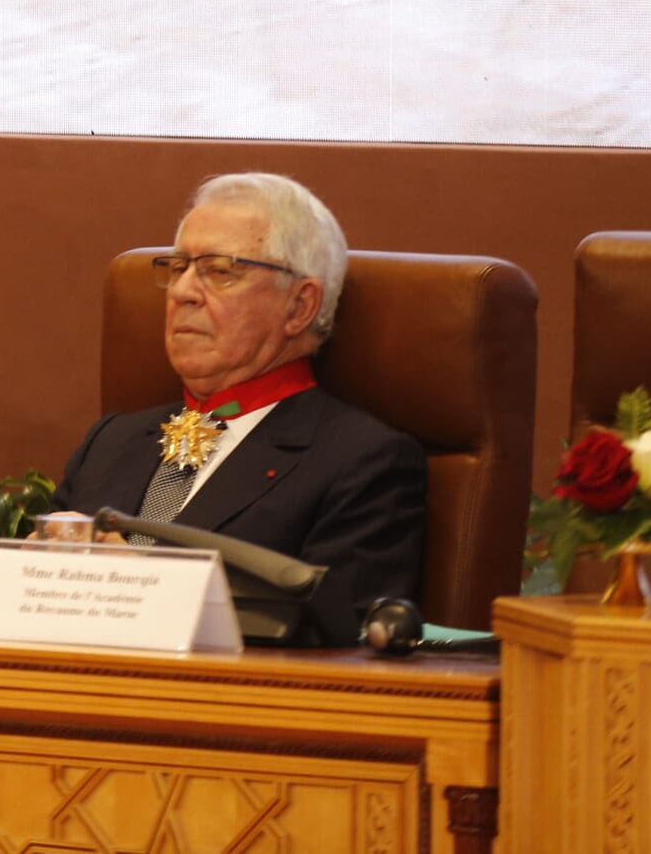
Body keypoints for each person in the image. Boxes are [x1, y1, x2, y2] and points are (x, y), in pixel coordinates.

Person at [54, 173, 425, 644]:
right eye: (179, 266)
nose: (182, 292)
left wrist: (139, 590)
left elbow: (338, 643)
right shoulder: (110, 442)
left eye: (219, 270)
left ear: (299, 306)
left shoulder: (362, 462)